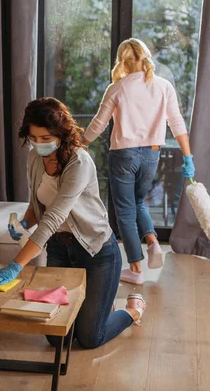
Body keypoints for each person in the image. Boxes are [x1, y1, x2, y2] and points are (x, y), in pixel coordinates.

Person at [0, 97, 145, 349]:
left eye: (46, 138)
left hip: (96, 250)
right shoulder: (35, 158)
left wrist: (15, 266)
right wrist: (24, 223)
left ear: (61, 133)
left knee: (90, 338)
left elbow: (54, 217)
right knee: (59, 337)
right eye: (33, 138)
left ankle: (132, 310)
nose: (38, 144)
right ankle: (101, 307)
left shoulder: (78, 162)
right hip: (59, 249)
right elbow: (40, 202)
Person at [82, 38, 194, 285]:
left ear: (123, 61)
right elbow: (176, 123)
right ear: (146, 57)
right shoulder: (164, 86)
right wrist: (188, 157)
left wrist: (80, 143)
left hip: (123, 154)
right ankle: (153, 242)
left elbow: (99, 124)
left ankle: (135, 268)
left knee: (124, 210)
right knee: (138, 202)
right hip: (151, 154)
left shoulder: (117, 88)